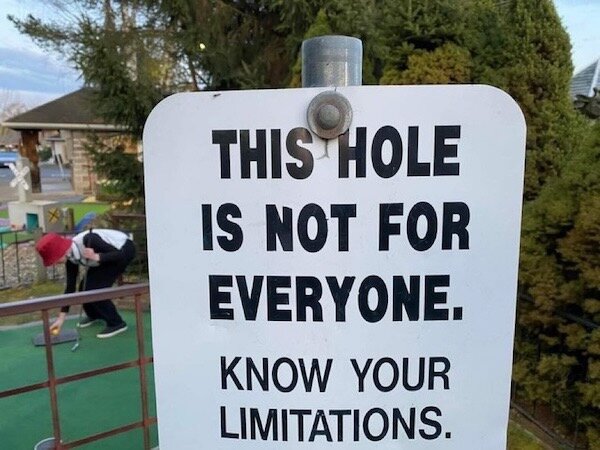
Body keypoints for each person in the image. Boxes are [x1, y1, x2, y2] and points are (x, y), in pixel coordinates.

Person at [36, 229, 135, 339]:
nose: (54, 263)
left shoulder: (89, 240)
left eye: (53, 259)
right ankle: (95, 315)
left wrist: (97, 257)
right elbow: (70, 287)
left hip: (124, 250)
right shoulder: (70, 258)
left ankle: (117, 323)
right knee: (83, 288)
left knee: (95, 289)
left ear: (60, 251)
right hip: (105, 257)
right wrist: (61, 318)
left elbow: (120, 256)